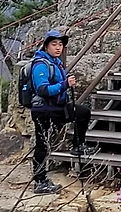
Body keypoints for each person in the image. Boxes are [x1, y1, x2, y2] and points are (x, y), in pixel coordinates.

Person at [28, 29, 96, 194]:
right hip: (43, 110)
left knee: (82, 113)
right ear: (46, 46)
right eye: (54, 44)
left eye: (60, 44)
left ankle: (78, 146)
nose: (58, 47)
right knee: (42, 144)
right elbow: (43, 89)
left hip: (57, 108)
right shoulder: (40, 64)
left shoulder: (55, 62)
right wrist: (65, 84)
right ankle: (40, 181)